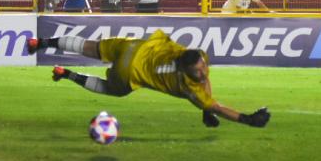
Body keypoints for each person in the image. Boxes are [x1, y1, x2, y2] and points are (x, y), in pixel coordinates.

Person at [27, 32, 271, 128]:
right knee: (114, 91)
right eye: (197, 71)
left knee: (90, 46)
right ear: (186, 71)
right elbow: (213, 104)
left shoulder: (189, 55)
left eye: (202, 68)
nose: (203, 72)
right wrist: (246, 119)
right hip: (129, 72)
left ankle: (43, 42)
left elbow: (207, 91)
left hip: (134, 46)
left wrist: (207, 109)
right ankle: (66, 73)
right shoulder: (187, 86)